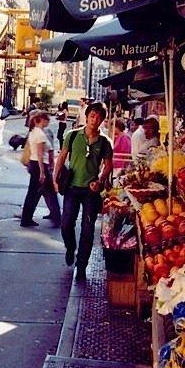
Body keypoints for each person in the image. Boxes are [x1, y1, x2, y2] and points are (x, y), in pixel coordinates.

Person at [53, 102, 113, 281]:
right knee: (66, 224)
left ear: (103, 120)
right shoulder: (71, 136)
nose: (95, 120)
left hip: (91, 191)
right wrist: (55, 179)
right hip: (71, 187)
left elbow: (108, 166)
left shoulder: (105, 142)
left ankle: (81, 265)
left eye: (99, 117)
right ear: (86, 116)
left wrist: (100, 180)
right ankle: (70, 247)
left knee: (87, 230)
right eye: (92, 116)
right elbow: (62, 157)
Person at [20, 111, 61, 228]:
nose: (48, 122)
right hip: (40, 165)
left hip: (35, 165)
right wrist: (43, 172)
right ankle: (57, 218)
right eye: (47, 119)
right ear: (41, 120)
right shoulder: (40, 134)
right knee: (50, 193)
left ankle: (26, 218)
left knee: (33, 193)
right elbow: (39, 154)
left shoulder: (34, 132)